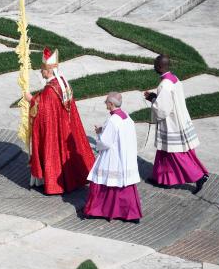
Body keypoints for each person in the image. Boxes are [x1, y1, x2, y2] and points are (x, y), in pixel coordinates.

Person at [24, 47, 94, 195]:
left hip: (55, 129)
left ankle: (55, 183)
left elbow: (42, 112)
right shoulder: (62, 82)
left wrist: (31, 99)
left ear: (49, 71)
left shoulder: (50, 90)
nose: (41, 72)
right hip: (65, 126)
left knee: (54, 152)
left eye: (42, 69)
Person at [144, 54, 209, 194]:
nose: (154, 67)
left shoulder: (164, 85)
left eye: (155, 65)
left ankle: (198, 177)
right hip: (180, 118)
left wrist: (152, 99)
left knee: (175, 153)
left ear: (161, 67)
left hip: (171, 123)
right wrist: (156, 97)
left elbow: (162, 110)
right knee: (163, 152)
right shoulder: (175, 79)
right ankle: (161, 178)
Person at [84, 93, 142, 223]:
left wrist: (99, 135)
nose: (106, 104)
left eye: (106, 102)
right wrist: (103, 130)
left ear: (111, 104)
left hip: (113, 156)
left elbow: (105, 143)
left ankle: (96, 210)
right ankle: (132, 214)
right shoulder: (126, 116)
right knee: (124, 186)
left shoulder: (113, 120)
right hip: (125, 156)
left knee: (102, 182)